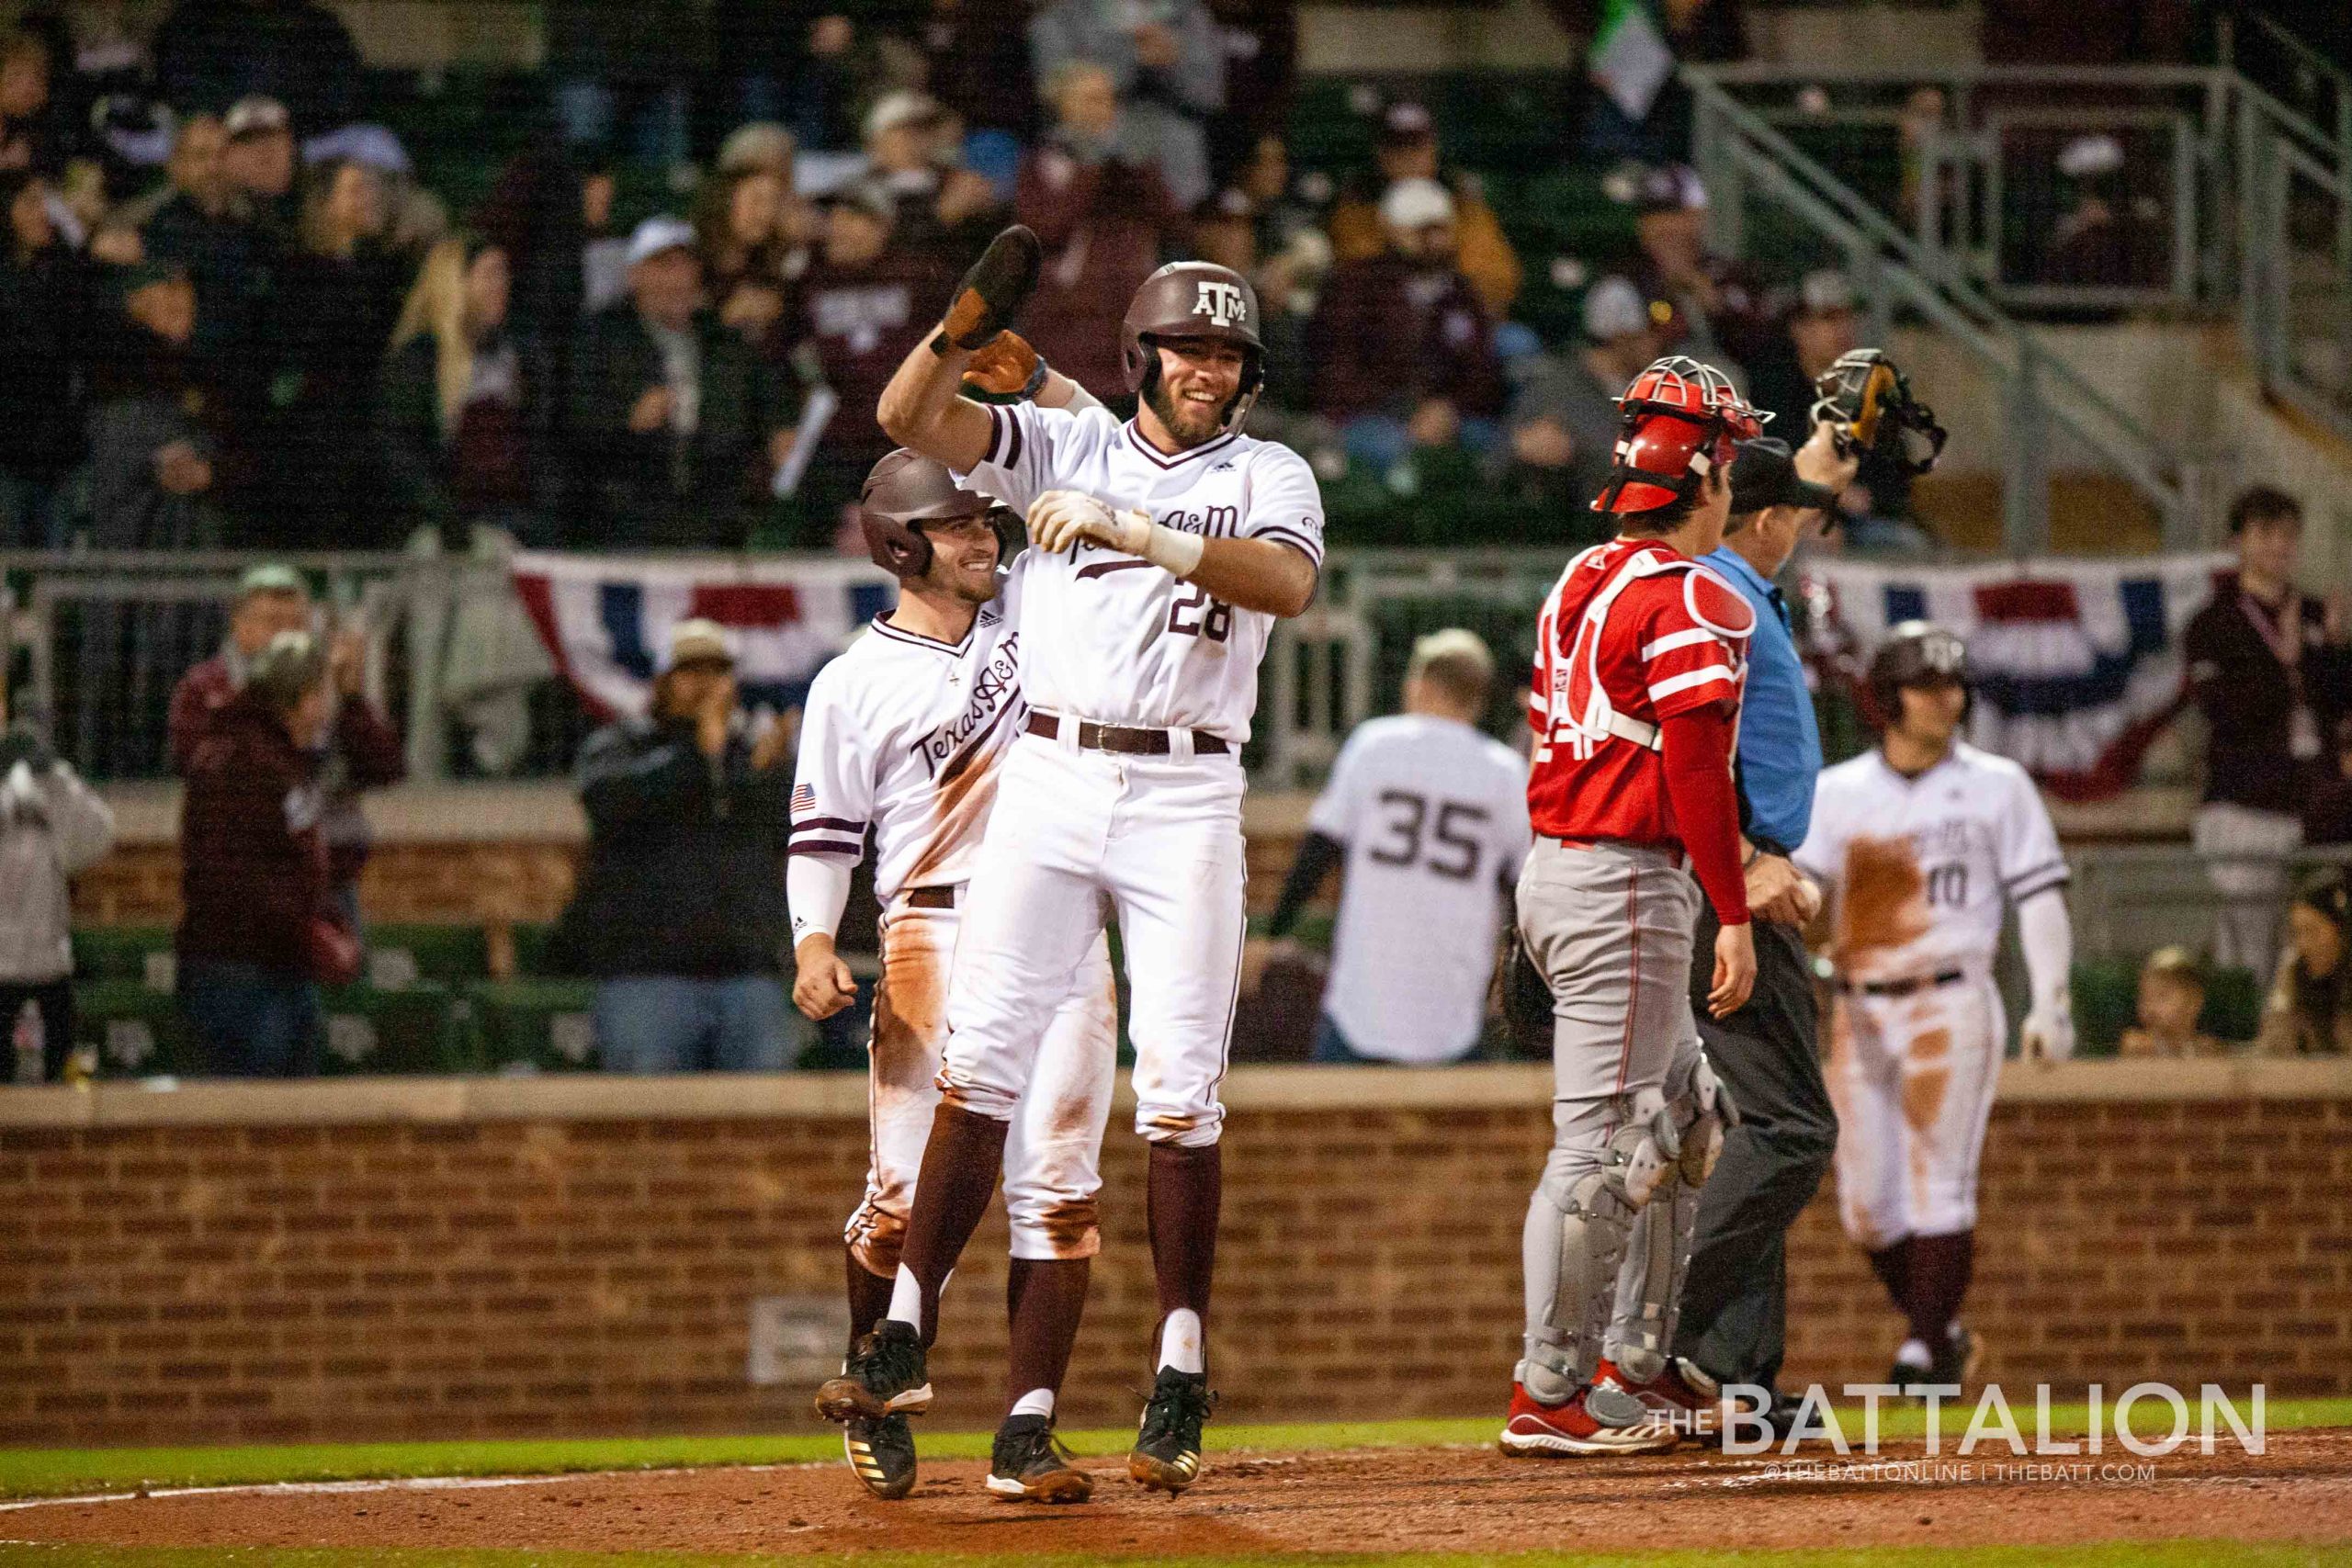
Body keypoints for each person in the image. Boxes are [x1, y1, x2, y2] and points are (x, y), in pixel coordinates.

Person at [812, 241, 1323, 1497]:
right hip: (1051, 769)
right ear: (1143, 353)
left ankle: (1181, 1365)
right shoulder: (1072, 442)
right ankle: (901, 1333)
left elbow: (1290, 582)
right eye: (1187, 347)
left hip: (1187, 784)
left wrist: (1145, 532)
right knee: (979, 1059)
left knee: (1182, 1093)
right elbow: (906, 419)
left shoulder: (1270, 468)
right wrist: (954, 328)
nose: (1207, 368)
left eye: (1227, 352)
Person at [791, 445, 1120, 1504]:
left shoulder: (1033, 619)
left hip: (1063, 926)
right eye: (956, 524)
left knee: (1060, 1192)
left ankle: (1026, 1433)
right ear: (899, 542)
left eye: (985, 521)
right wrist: (811, 941)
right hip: (933, 931)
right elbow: (824, 833)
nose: (983, 537)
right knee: (898, 1196)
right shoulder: (851, 681)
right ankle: (876, 1379)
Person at [1502, 355, 1756, 1459]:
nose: (1734, 483)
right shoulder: (1688, 592)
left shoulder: (1580, 576)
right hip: (1621, 878)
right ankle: (1550, 1386)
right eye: (1729, 461)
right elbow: (1697, 772)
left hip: (1570, 865)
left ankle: (1629, 1367)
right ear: (1698, 472)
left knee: (1688, 1116)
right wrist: (1734, 912)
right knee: (1601, 1144)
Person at [1623, 419, 1858, 1440]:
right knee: (1792, 1128)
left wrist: (1823, 454)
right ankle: (1645, 1344)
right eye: (1791, 515)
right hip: (1732, 878)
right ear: (1762, 520)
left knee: (1757, 1132)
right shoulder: (1715, 595)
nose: (1800, 526)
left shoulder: (1738, 579)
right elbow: (1692, 740)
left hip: (1737, 879)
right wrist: (1744, 871)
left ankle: (1739, 1381)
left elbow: (1768, 507)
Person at [1797, 622, 2075, 1394]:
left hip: (1951, 993)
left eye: (1952, 683)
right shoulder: (1838, 790)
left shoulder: (1997, 783)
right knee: (1868, 1210)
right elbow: (1803, 897)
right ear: (1887, 698)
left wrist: (2051, 999)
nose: (1943, 698)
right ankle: (1944, 1333)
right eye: (1925, 684)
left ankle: (1920, 1357)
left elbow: (2040, 894)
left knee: (1940, 1183)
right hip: (1858, 1004)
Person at [1251, 628, 1530, 1066]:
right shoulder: (1507, 772)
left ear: (1420, 683)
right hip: (1454, 1002)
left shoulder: (1374, 745)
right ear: (1477, 697)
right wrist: (1515, 981)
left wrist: (1274, 934)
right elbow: (1523, 889)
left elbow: (1318, 851)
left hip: (1362, 999)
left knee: (1334, 1121)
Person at [551, 619, 796, 1073]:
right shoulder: (618, 745)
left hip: (747, 975)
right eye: (689, 672)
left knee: (764, 1127)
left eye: (717, 672)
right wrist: (698, 753)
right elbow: (610, 804)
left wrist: (768, 773)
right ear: (662, 682)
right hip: (646, 977)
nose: (704, 685)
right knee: (650, 1125)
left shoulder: (753, 757)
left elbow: (788, 831)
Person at [168, 563, 404, 923]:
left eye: (296, 623)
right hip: (245, 884)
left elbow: (385, 767)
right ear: (239, 625)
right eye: (271, 622)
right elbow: (198, 768)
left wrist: (351, 700)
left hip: (329, 881)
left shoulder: (328, 685)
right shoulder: (207, 687)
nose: (284, 635)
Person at [2185, 488, 2352, 982]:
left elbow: (2339, 706)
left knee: (2331, 928)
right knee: (2248, 941)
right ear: (2238, 541)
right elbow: (2222, 713)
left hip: (2320, 802)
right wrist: (2282, 666)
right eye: (2265, 534)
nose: (2278, 546)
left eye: (2287, 535)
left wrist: (2338, 652)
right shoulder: (2214, 624)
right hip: (2246, 800)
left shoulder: (2318, 617)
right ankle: (2246, 1042)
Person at [569, 216, 795, 548]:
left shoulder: (725, 344)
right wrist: (626, 421)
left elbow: (767, 409)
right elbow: (572, 433)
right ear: (635, 275)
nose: (678, 279)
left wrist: (780, 434)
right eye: (663, 266)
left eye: (686, 266)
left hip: (716, 522)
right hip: (629, 520)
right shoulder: (601, 341)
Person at [176, 629, 344, 1078]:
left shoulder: (277, 756)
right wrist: (305, 933)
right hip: (240, 972)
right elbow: (238, 876)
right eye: (325, 692)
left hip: (275, 964)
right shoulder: (243, 760)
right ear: (305, 698)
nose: (329, 707)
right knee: (252, 1122)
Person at [1306, 176, 1503, 476]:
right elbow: (1335, 372)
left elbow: (1482, 370)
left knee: (1497, 446)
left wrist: (1448, 409)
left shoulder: (1461, 292)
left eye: (1440, 229)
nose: (1433, 240)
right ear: (1392, 230)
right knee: (1399, 458)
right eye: (1421, 230)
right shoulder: (1355, 285)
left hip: (1447, 415)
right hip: (1371, 416)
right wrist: (1407, 412)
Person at [1015, 61, 1189, 402]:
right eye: (1090, 99)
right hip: (1070, 323)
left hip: (1129, 314)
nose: (1102, 110)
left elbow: (1174, 224)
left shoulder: (1134, 162)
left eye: (1108, 100)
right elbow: (1044, 230)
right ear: (1062, 105)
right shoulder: (1045, 162)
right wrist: (1091, 169)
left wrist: (1137, 168)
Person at [791, 189, 954, 547]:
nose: (844, 229)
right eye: (838, 219)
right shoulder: (807, 281)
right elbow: (784, 355)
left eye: (858, 220)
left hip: (901, 433)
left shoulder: (918, 277)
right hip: (833, 437)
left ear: (884, 228)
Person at [381, 238, 553, 547]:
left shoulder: (522, 355)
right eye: (490, 274)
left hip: (516, 523)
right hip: (444, 530)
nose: (502, 285)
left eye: (504, 274)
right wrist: (451, 520)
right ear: (455, 283)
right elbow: (401, 451)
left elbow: (541, 446)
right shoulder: (419, 359)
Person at [0, 677, 114, 1083]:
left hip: (49, 962)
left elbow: (94, 839)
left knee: (58, 1086)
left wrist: (52, 775)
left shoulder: (52, 780)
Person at [1327, 100, 1520, 320]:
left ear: (1433, 150)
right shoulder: (1357, 208)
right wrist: (1395, 248)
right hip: (1385, 326)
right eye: (1398, 149)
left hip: (1457, 321)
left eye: (1417, 147)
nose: (1409, 158)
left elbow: (1497, 281)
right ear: (1381, 154)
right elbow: (1353, 284)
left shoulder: (1464, 207)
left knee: (1517, 342)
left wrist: (1438, 256)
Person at [1030, 0, 1222, 213]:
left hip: (1172, 142)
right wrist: (1132, 57)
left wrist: (1173, 62)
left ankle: (1182, 236)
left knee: (1181, 140)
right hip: (1089, 138)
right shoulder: (1060, 19)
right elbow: (1056, 95)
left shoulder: (1189, 14)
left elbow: (1211, 98)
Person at [1506, 275, 1669, 518]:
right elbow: (1500, 457)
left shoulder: (1655, 389)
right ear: (1622, 336)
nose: (1658, 342)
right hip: (1575, 532)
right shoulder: (1556, 388)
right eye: (1649, 332)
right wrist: (1522, 448)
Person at [0, 167, 87, 547]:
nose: (43, 213)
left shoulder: (63, 274)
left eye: (46, 203)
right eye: (31, 202)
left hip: (59, 453)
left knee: (57, 574)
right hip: (8, 456)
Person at [2257, 875, 2352, 1056]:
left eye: (2313, 931)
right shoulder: (2294, 970)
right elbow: (2272, 1046)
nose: (2304, 944)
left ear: (2341, 931)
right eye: (2297, 933)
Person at [2120, 946, 2228, 1059]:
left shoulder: (2206, 1049)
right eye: (2144, 998)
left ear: (2193, 1002)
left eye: (2162, 996)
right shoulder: (2140, 1047)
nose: (2150, 1008)